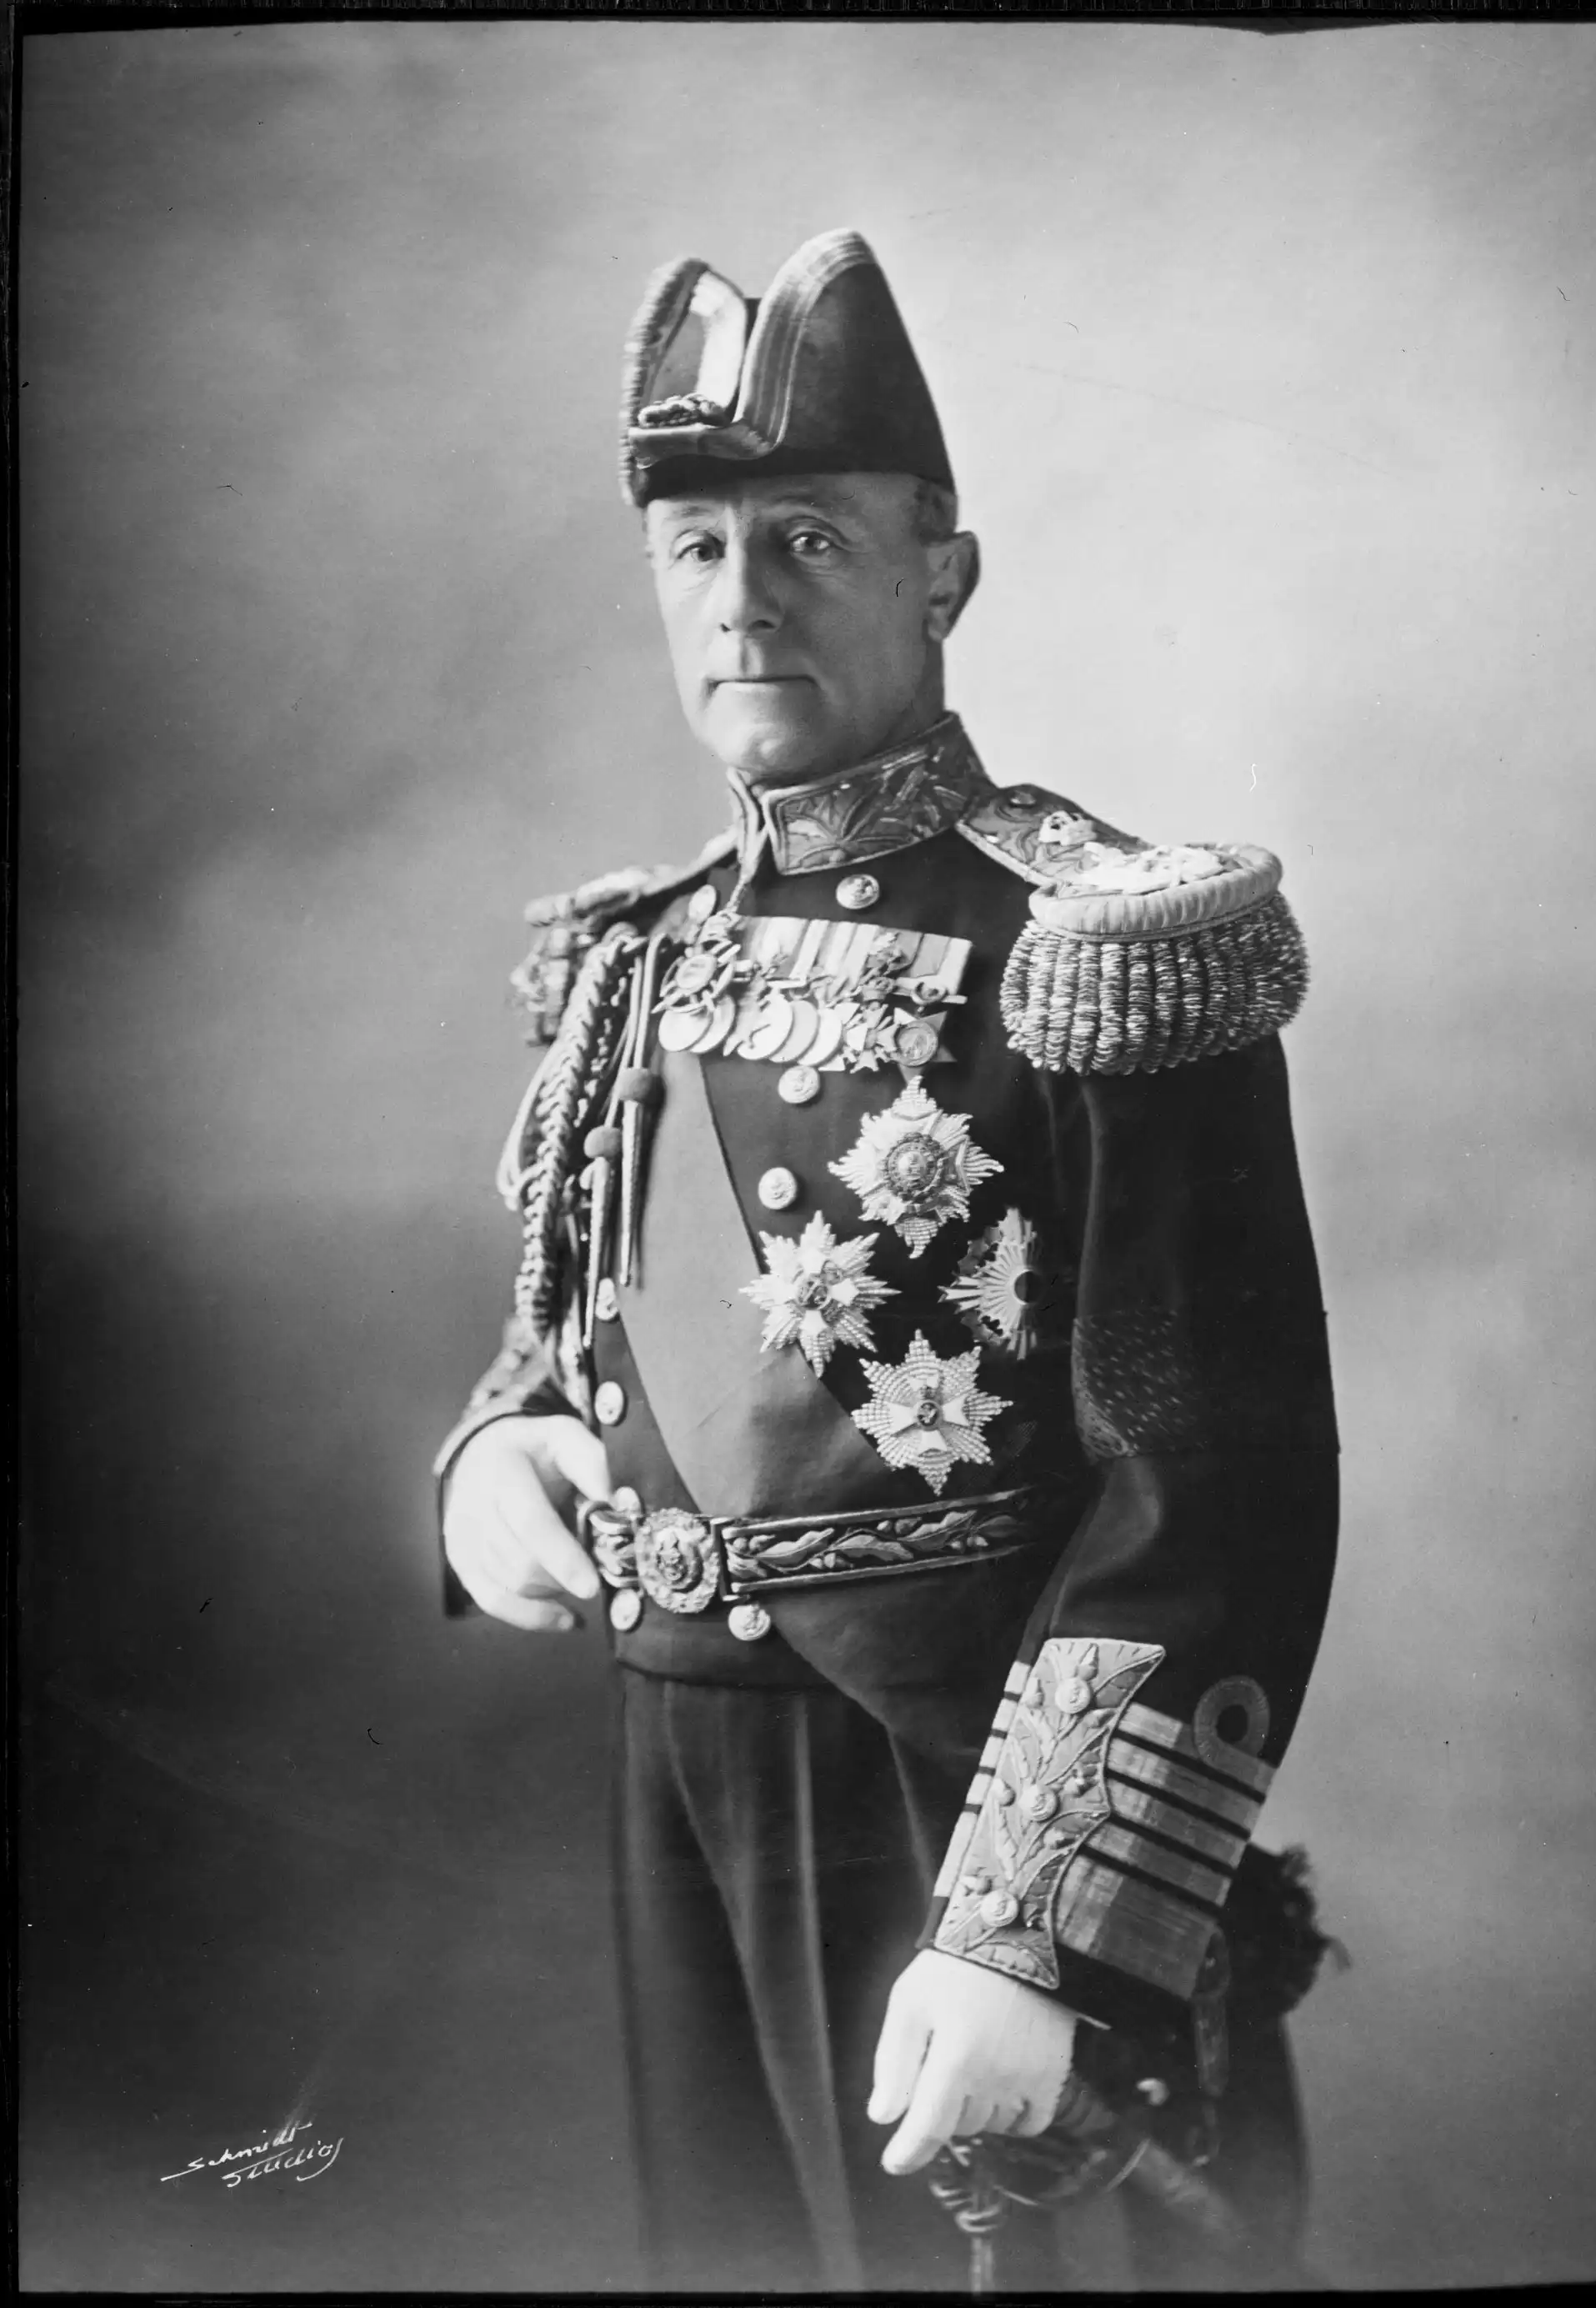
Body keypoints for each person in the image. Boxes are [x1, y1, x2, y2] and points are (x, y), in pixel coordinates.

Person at [435, 228, 1339, 2293]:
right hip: (676, 1776)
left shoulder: (1106, 941)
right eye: (699, 548)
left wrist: (1034, 1935)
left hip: (958, 1785)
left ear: (944, 576)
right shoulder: (624, 952)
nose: (742, 598)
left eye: (811, 542)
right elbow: (565, 1329)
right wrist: (498, 1451)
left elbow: (1211, 1491)